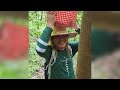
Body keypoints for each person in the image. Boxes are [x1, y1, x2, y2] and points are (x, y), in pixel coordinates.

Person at [35, 11, 80, 79]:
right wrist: (49, 25)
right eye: (57, 36)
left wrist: (77, 28)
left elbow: (90, 41)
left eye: (64, 35)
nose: (61, 39)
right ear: (52, 39)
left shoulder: (70, 48)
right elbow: (39, 49)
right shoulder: (50, 52)